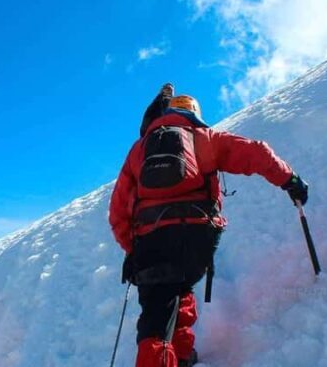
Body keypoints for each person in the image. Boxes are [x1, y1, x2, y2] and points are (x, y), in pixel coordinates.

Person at [108, 84, 309, 367]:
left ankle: (166, 358)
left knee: (156, 318)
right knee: (182, 287)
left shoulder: (138, 150)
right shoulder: (205, 138)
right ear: (195, 113)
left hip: (151, 240)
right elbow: (257, 153)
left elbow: (117, 210)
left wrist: (133, 250)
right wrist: (290, 181)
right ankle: (183, 355)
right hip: (198, 238)